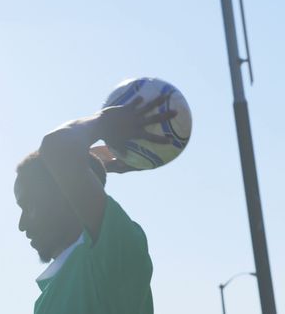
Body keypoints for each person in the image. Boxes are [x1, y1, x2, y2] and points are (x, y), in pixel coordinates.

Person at [14, 94, 176, 314]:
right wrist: (101, 163)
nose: (22, 225)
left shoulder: (115, 252)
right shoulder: (48, 297)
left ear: (66, 195)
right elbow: (60, 155)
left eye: (30, 205)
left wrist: (106, 122)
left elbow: (57, 147)